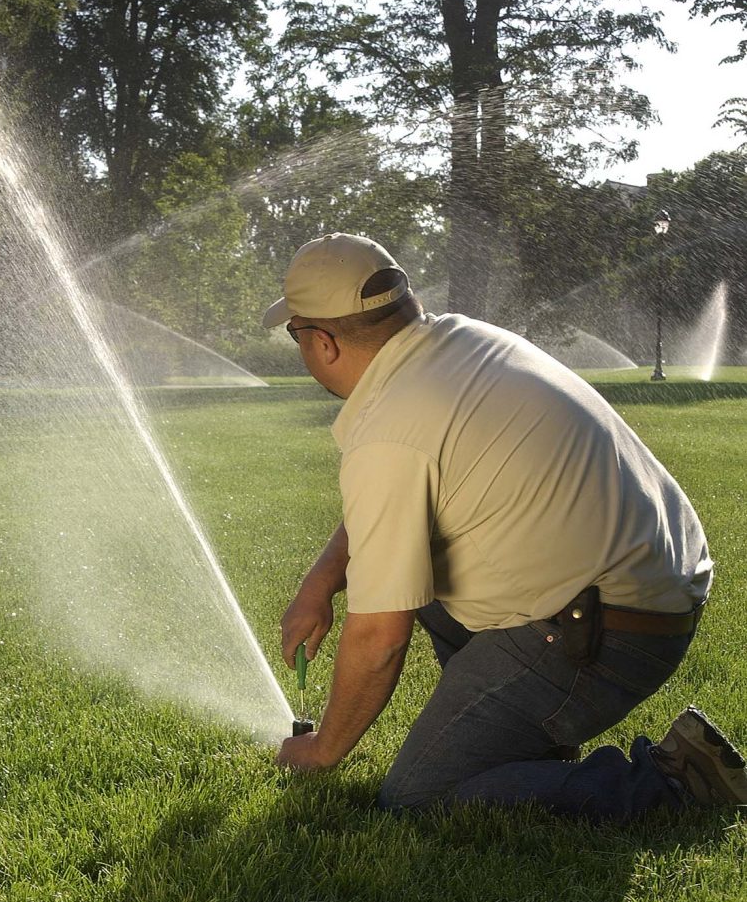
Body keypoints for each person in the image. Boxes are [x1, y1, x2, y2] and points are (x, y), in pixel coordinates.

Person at [269, 232, 747, 821]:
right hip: (648, 592)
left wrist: (321, 750)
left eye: (296, 334)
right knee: (417, 568)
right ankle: (520, 734)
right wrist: (320, 582)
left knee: (420, 795)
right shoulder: (462, 341)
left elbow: (379, 639)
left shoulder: (391, 428)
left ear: (323, 342)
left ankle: (676, 784)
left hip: (607, 631)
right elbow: (392, 504)